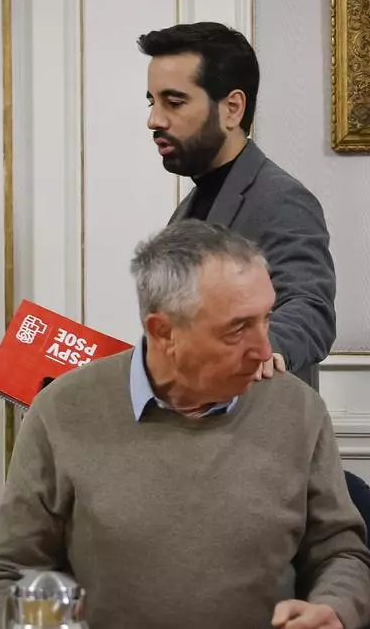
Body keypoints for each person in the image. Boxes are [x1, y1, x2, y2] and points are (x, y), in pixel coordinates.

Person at [0, 220, 370, 629]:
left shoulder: (297, 409)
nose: (264, 349)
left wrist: (335, 607)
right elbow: (8, 575)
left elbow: (341, 553)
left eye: (266, 319)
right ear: (163, 332)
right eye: (238, 328)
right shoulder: (62, 410)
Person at [138, 21, 335, 390]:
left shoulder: (282, 199)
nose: (154, 120)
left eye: (174, 102)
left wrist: (263, 348)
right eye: (152, 102)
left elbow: (309, 307)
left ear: (232, 108)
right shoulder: (189, 208)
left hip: (251, 420)